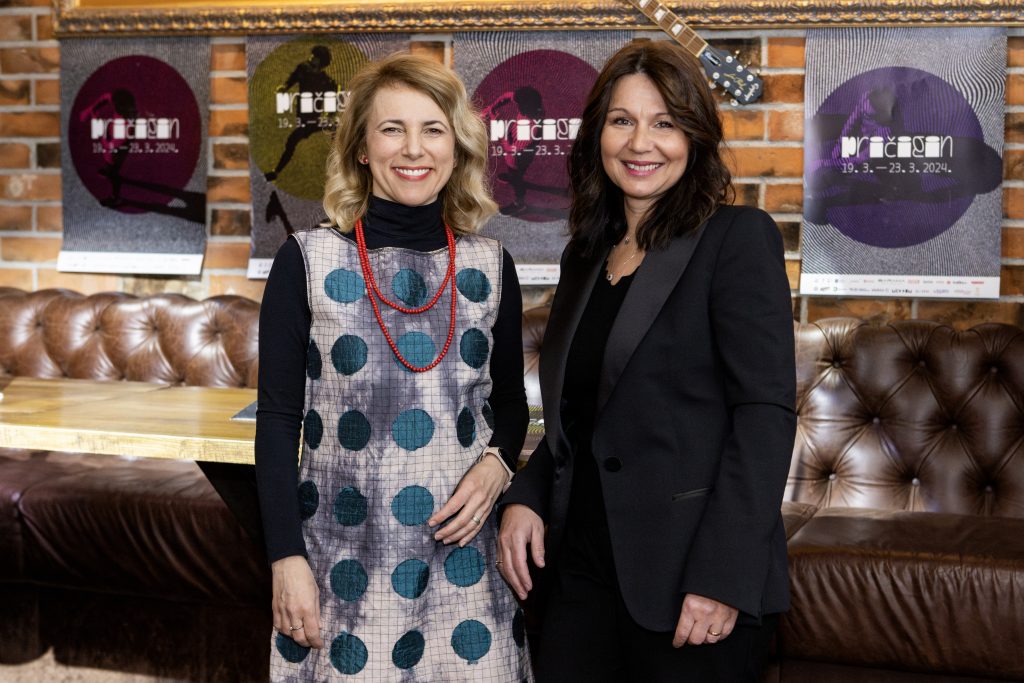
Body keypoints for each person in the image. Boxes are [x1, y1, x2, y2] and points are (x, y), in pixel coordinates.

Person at [497, 40, 796, 682]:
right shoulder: (585, 255)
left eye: (664, 123)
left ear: (694, 137)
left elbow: (764, 415)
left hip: (691, 581)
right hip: (580, 570)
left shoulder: (737, 239)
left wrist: (722, 576)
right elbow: (580, 417)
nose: (641, 143)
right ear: (597, 134)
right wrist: (525, 495)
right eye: (622, 120)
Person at [255, 52, 532, 681]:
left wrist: (496, 466)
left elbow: (510, 407)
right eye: (391, 129)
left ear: (456, 148)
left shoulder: (491, 265)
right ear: (361, 147)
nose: (413, 148)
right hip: (342, 563)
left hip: (465, 566)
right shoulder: (305, 260)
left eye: (433, 129)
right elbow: (277, 421)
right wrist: (285, 559)